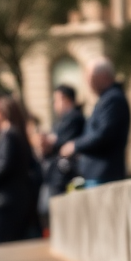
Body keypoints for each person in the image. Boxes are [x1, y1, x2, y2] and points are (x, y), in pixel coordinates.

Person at [0, 96, 40, 244]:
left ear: (1, 113)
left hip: (4, 203)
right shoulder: (17, 134)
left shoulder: (9, 135)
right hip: (16, 201)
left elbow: (3, 165)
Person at [59, 58, 130, 187]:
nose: (87, 81)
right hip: (99, 173)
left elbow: (104, 134)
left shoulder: (113, 99)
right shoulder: (108, 98)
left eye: (90, 76)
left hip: (104, 174)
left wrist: (75, 145)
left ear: (103, 76)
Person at [40, 85, 85, 217]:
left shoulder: (74, 117)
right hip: (59, 175)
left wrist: (49, 141)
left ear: (65, 99)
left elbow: (62, 143)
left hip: (66, 175)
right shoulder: (62, 120)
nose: (55, 105)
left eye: (56, 100)